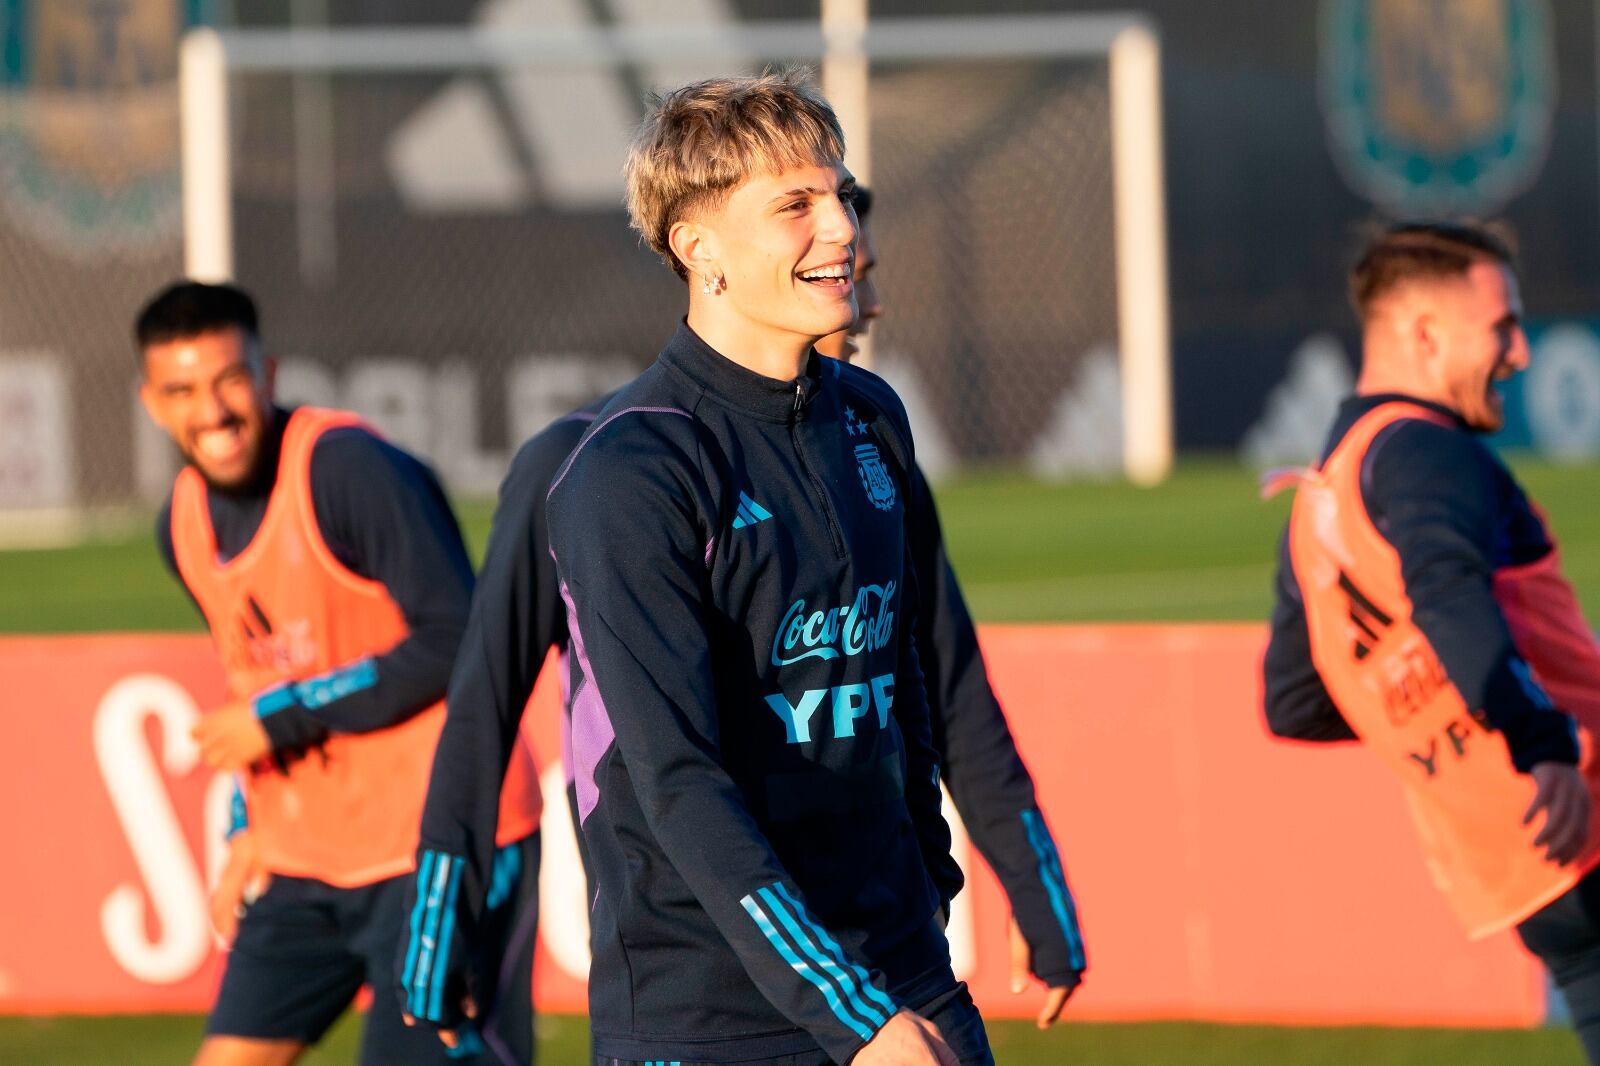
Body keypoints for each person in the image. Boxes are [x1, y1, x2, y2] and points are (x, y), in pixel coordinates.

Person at [552, 71, 983, 1066]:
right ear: (695, 248)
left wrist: (926, 887)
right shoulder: (632, 468)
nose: (840, 229)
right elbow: (679, 780)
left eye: (837, 194)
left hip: (901, 969)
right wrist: (855, 1017)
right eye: (794, 205)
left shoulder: (872, 415)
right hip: (710, 1013)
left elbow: (898, 675)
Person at [135, 281, 542, 1066]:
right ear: (154, 403)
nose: (213, 412)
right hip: (305, 864)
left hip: (439, 849)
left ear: (268, 373)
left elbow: (458, 638)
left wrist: (283, 715)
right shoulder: (180, 524)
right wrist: (248, 830)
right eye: (184, 391)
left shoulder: (348, 470)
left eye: (229, 380)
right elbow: (251, 676)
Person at [1262, 222, 1600, 1062]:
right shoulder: (1424, 449)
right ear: (1424, 332)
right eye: (1502, 328)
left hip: (1514, 868)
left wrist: (1435, 716)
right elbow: (1449, 593)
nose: (1519, 354)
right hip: (1581, 805)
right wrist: (1540, 743)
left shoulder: (1318, 503)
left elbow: (1295, 702)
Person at [815, 185, 1087, 1027]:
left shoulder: (875, 436)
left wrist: (1033, 889)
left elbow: (951, 683)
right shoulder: (622, 461)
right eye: (850, 275)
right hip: (717, 980)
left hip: (895, 938)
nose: (869, 301)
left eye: (861, 270)